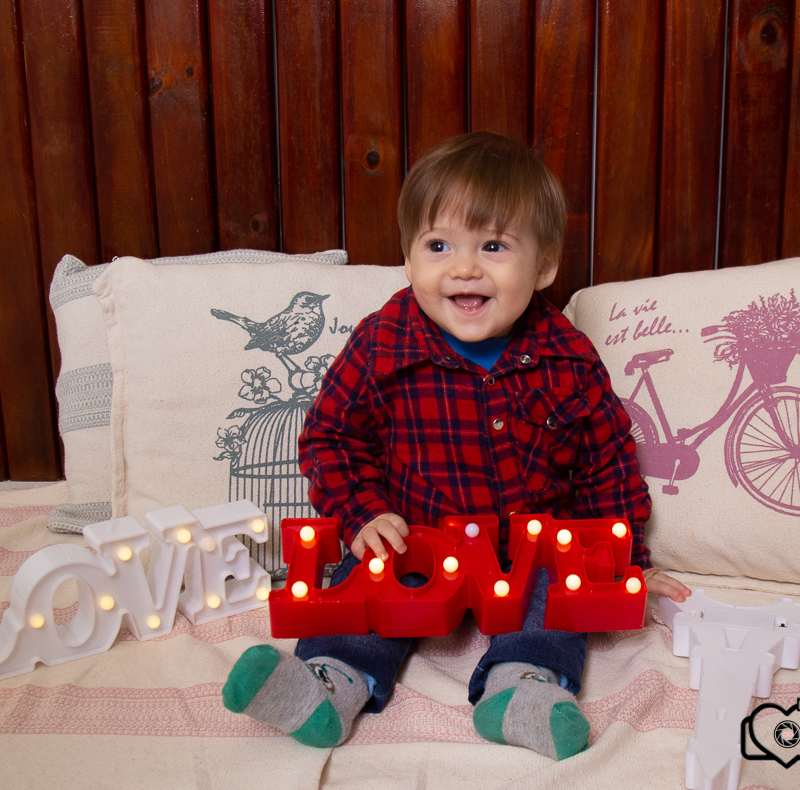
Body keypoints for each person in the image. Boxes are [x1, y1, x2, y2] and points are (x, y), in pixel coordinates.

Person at [222, 132, 691, 760]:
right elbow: (330, 435)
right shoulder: (383, 342)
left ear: (544, 265)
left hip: (528, 553)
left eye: (493, 246)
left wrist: (624, 559)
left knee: (555, 599)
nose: (464, 267)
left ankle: (521, 686)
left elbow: (606, 461)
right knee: (365, 582)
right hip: (417, 539)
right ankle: (327, 685)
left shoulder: (568, 357)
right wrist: (363, 512)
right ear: (410, 261)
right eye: (438, 246)